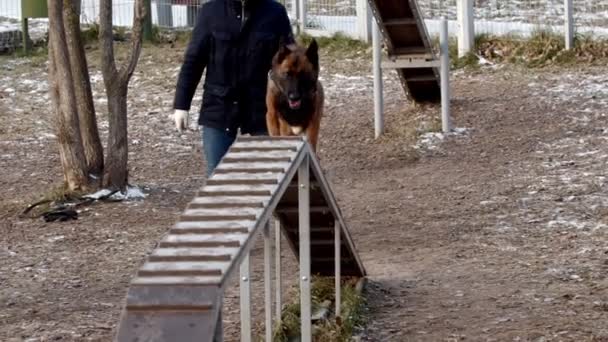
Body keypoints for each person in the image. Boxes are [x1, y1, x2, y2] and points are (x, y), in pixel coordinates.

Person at [172, 0, 296, 177]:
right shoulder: (211, 12)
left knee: (270, 176)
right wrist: (181, 105)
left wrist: (294, 99)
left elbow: (289, 63)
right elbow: (194, 60)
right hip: (219, 107)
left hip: (261, 108)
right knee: (217, 177)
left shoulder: (275, 13)